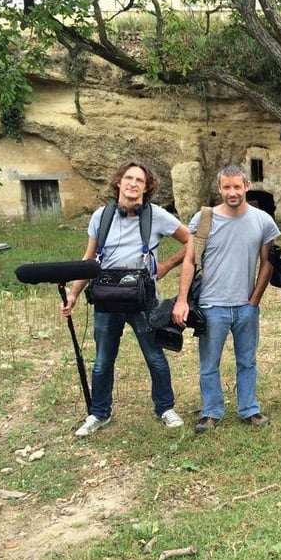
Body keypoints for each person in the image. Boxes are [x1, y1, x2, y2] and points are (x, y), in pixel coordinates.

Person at [61, 160, 190, 436]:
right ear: (118, 182)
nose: (133, 184)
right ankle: (99, 413)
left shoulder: (156, 215)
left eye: (139, 180)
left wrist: (166, 265)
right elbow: (89, 258)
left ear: (146, 187)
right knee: (102, 361)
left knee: (155, 357)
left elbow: (191, 240)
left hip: (142, 300)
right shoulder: (101, 216)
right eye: (129, 178)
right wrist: (73, 293)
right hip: (107, 299)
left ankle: (165, 408)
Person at [172, 165, 281, 432]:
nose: (232, 192)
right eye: (226, 187)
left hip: (245, 306)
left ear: (246, 186)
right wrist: (182, 300)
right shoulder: (204, 219)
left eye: (237, 186)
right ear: (219, 189)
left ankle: (249, 408)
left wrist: (254, 300)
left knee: (248, 361)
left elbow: (268, 262)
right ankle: (211, 411)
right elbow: (189, 260)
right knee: (209, 364)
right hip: (211, 305)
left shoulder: (263, 221)